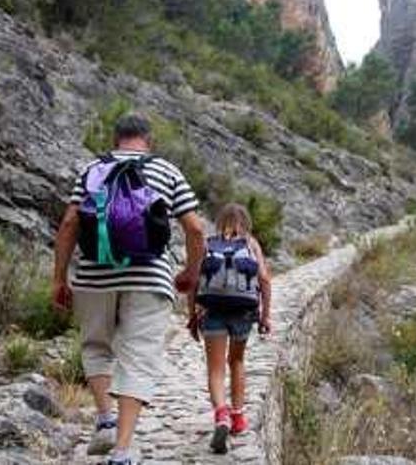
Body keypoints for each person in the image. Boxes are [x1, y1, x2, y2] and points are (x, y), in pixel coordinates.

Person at [52, 114, 206, 465]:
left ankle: (105, 417)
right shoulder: (167, 171)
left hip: (94, 275)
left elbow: (70, 223)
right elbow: (195, 230)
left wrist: (59, 278)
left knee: (96, 346)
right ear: (148, 140)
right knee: (138, 357)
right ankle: (122, 451)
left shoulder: (92, 169)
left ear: (115, 137)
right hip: (149, 278)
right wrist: (190, 273)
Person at [187, 203, 272, 455]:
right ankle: (238, 416)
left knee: (215, 368)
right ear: (245, 222)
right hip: (243, 312)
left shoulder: (207, 244)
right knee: (236, 361)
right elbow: (265, 279)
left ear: (219, 221)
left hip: (212, 311)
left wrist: (192, 315)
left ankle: (221, 414)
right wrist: (265, 315)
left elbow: (192, 283)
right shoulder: (250, 244)